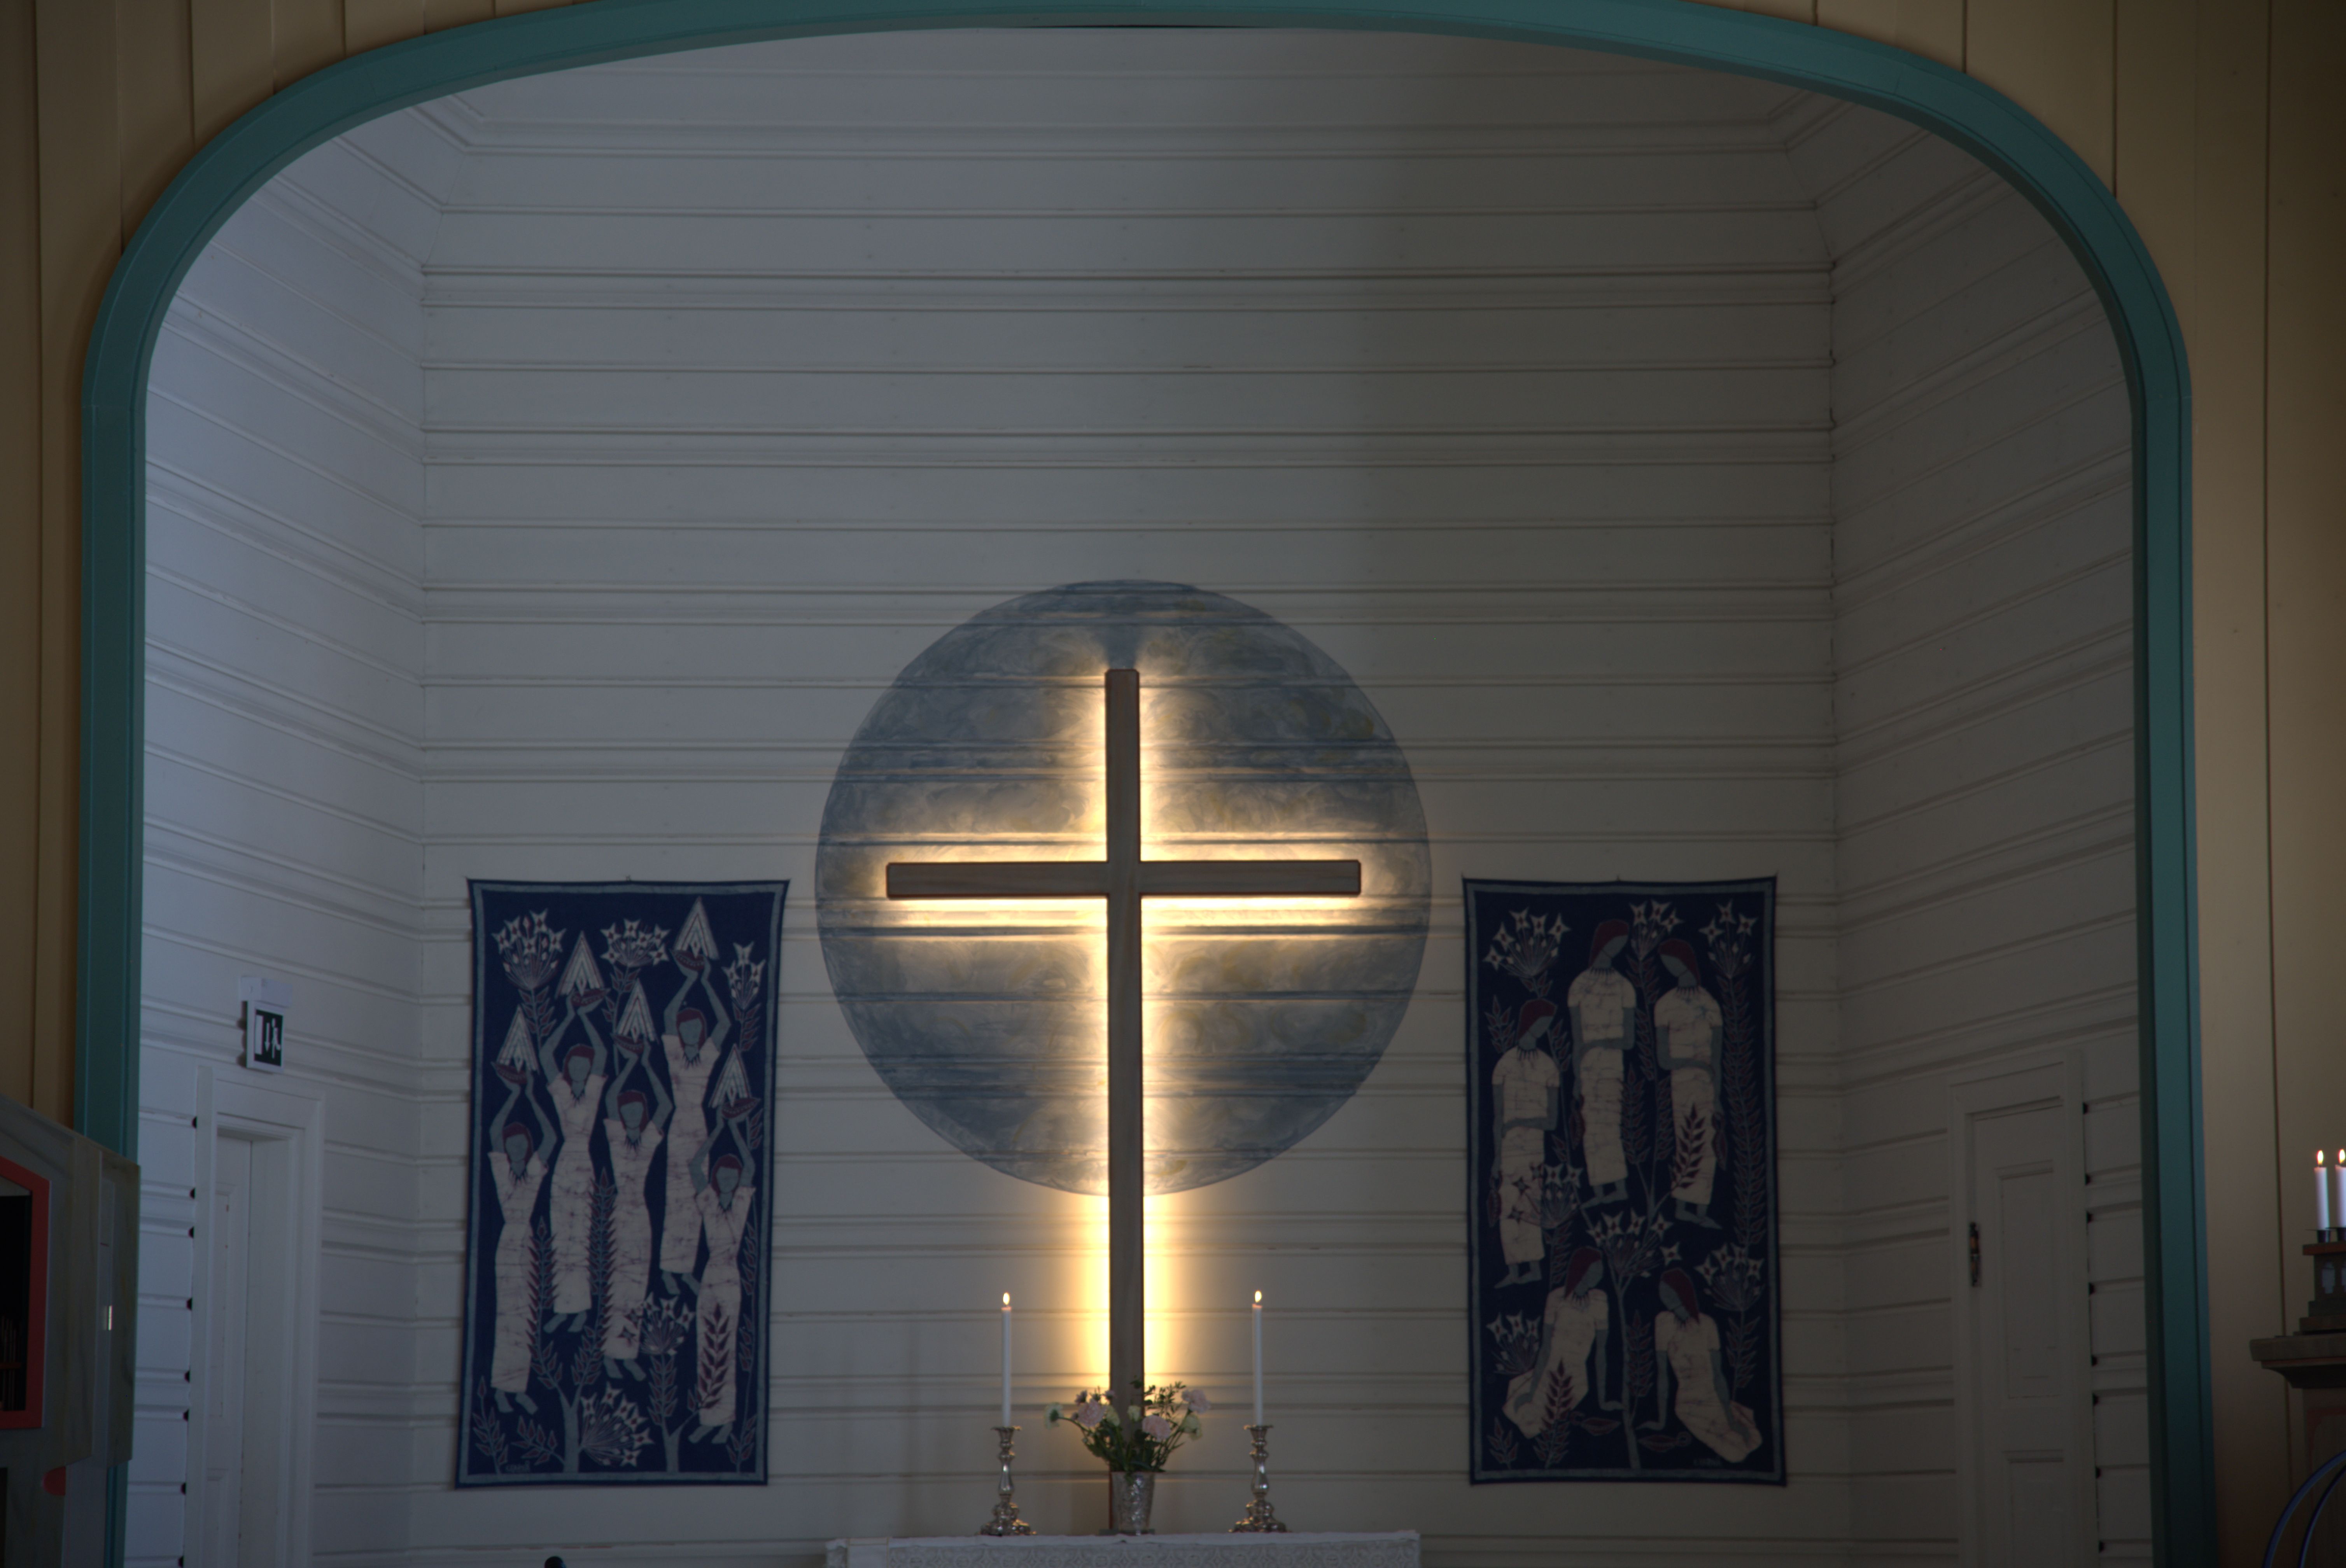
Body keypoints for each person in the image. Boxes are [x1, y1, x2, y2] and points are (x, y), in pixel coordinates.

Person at [600, 1041, 674, 1378]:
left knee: (637, 1282)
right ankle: (608, 1354)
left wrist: (646, 1065)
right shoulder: (616, 1138)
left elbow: (667, 1105)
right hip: (619, 1214)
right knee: (616, 1282)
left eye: (636, 1110)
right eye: (626, 1110)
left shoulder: (647, 1139)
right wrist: (630, 1065)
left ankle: (627, 1350)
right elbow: (610, 1098)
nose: (631, 1114)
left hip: (640, 1214)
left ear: (643, 1114)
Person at [659, 961, 733, 1292]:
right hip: (679, 1126)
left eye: (695, 1028)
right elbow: (668, 1013)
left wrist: (706, 983)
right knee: (675, 1197)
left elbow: (725, 1023)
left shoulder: (706, 1056)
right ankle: (667, 1269)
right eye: (685, 1028)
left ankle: (686, 1268)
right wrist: (689, 981)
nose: (690, 1033)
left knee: (695, 1198)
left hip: (699, 1125)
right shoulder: (675, 1055)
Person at [686, 1108, 757, 1444]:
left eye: (733, 1176)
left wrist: (736, 1131)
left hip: (730, 1276)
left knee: (725, 1347)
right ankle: (708, 1416)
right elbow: (694, 1167)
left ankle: (727, 1421)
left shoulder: (742, 1202)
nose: (728, 1180)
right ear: (716, 1178)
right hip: (711, 1275)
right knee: (706, 1347)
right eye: (723, 1175)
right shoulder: (709, 1202)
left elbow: (752, 1167)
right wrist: (717, 1131)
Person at [485, 1072, 554, 1412]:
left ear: (528, 1147)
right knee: (507, 1317)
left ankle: (519, 1386)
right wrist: (513, 1096)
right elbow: (494, 1131)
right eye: (511, 1143)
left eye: (521, 1143)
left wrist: (534, 1098)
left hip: (527, 1244)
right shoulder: (502, 1171)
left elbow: (551, 1137)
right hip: (508, 1242)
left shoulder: (534, 1172)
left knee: (526, 1318)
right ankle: (501, 1390)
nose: (516, 1147)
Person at [537, 1011, 609, 1332]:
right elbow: (545, 1055)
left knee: (581, 1238)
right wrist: (567, 1018)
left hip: (584, 1164)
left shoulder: (592, 1091)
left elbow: (603, 1051)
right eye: (574, 1064)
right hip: (565, 1163)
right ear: (568, 1068)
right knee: (560, 1237)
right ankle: (562, 1308)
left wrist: (585, 1017)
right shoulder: (562, 1091)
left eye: (584, 1064)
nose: (579, 1068)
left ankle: (581, 1310)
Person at [1648, 1268, 1761, 1463]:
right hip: (1687, 1405)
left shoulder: (1707, 1324)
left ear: (1681, 1291)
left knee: (1751, 1439)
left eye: (1668, 1291)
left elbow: (1718, 1374)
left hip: (1713, 1397)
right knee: (1735, 1453)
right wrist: (1661, 1420)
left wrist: (1729, 1417)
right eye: (1661, 1292)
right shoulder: (1663, 1322)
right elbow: (1662, 1374)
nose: (1664, 1297)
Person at [1501, 1248, 1612, 1437]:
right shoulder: (1556, 1297)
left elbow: (1602, 1351)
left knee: (1540, 1423)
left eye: (1601, 1271)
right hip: (1549, 1369)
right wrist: (1533, 1391)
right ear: (1581, 1269)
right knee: (1520, 1411)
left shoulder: (1599, 1300)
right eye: (1595, 1270)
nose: (1599, 1275)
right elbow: (1546, 1347)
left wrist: (1603, 1400)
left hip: (1577, 1379)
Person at [1653, 938, 1724, 1227]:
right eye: (1667, 963)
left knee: (1708, 1145)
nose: (1671, 968)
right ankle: (1682, 1207)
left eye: (1673, 961)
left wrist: (1717, 1096)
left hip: (1707, 1087)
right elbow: (1664, 1060)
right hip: (1681, 1086)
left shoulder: (1709, 1004)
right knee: (1686, 1140)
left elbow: (1717, 1059)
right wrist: (1695, 1064)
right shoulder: (1665, 1005)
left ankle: (1702, 1210)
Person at [1490, 998, 1562, 1285]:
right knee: (1508, 1207)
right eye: (1542, 1022)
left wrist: (1519, 1121)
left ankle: (1533, 1270)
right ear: (1529, 1022)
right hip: (1509, 1150)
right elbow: (1498, 1117)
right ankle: (1513, 1271)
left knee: (1531, 1207)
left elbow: (1552, 1121)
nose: (1544, 1029)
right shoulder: (1505, 1064)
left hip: (1533, 1152)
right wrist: (1497, 1156)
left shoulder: (1548, 1066)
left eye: (1547, 1024)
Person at [1567, 921, 1636, 1204]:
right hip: (1587, 1070)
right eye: (1614, 942)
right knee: (1591, 1130)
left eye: (1621, 944)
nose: (1617, 949)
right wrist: (1576, 1077)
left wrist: (1597, 1044)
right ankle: (1598, 1192)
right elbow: (1577, 1039)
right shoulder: (1580, 985)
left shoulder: (1623, 986)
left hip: (1611, 1069)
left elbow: (1629, 1040)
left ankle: (1619, 1189)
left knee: (1610, 1126)